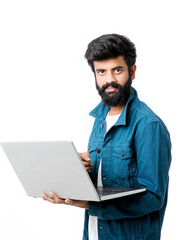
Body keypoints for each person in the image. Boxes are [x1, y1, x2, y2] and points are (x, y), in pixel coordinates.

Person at [42, 34, 172, 240]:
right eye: (101, 72)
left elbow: (153, 197)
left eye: (117, 70)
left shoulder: (148, 125)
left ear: (132, 71)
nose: (109, 80)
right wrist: (74, 169)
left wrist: (89, 205)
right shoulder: (100, 118)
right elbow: (106, 181)